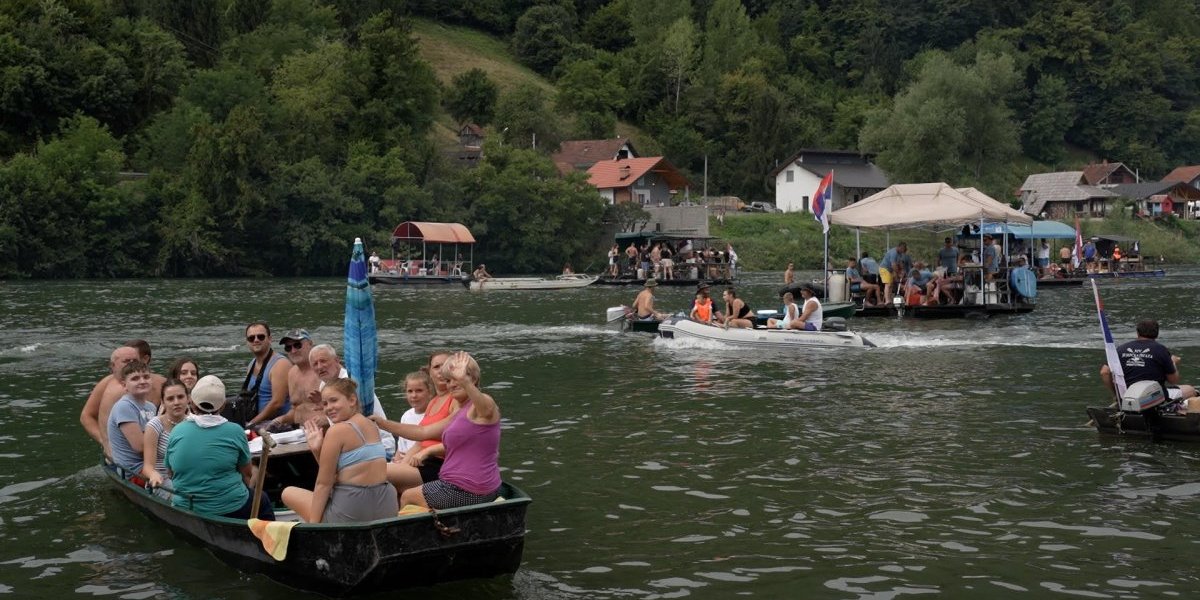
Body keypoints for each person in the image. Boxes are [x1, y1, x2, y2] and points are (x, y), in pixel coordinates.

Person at [371, 352, 502, 509]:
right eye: (448, 380)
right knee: (402, 491)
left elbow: (486, 410)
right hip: (455, 484)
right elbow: (423, 432)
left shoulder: (483, 404)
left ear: (473, 378)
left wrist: (465, 382)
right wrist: (381, 423)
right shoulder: (459, 412)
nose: (452, 384)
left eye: (457, 378)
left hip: (468, 489)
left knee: (408, 497)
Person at [282, 378, 397, 523]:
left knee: (288, 492)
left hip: (353, 511)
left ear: (352, 400)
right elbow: (343, 475)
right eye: (325, 403)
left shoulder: (337, 431)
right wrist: (317, 449)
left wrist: (314, 528)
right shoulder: (371, 425)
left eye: (334, 400)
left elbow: (324, 484)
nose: (329, 408)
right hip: (386, 506)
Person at [166, 376, 275, 520]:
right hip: (231, 506)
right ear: (223, 405)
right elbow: (247, 474)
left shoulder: (176, 431)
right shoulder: (235, 431)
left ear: (191, 403)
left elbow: (170, 473)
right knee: (262, 498)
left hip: (186, 506)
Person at [377, 352, 457, 497]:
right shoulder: (433, 402)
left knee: (372, 471)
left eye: (446, 366)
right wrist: (402, 466)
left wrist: (382, 423)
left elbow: (425, 433)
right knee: (371, 472)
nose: (441, 370)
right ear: (430, 373)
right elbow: (420, 443)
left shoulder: (456, 399)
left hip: (439, 466)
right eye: (436, 367)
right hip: (422, 463)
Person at [308, 344, 396, 458]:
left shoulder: (351, 380)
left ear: (336, 360)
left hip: (380, 446)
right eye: (315, 364)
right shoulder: (324, 386)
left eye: (323, 361)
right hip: (353, 446)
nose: (320, 367)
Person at [1100, 319, 1198, 412]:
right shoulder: (1160, 350)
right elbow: (1173, 380)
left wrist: (1117, 396)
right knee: (1191, 390)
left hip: (1126, 397)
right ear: (1157, 333)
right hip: (1156, 398)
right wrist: (1173, 362)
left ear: (1137, 333)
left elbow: (1104, 372)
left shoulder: (1121, 349)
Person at [81, 345, 140, 455]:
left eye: (135, 361)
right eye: (126, 361)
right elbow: (86, 416)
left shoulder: (150, 383)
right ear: (113, 366)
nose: (132, 364)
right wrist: (104, 441)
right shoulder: (107, 383)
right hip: (121, 454)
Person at [107, 361, 158, 478]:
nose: (142, 381)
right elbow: (140, 447)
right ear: (124, 385)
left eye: (146, 377)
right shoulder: (124, 406)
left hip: (152, 462)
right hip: (135, 470)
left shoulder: (150, 406)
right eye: (135, 379)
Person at [142, 379, 190, 499]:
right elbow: (147, 467)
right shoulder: (154, 426)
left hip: (189, 477)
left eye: (180, 397)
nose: (176, 402)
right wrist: (153, 475)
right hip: (162, 480)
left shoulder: (194, 422)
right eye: (170, 399)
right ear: (163, 402)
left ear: (188, 398)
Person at [268, 329, 321, 430]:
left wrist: (320, 422)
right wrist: (281, 419)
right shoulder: (292, 373)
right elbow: (296, 409)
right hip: (300, 434)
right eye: (288, 347)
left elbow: (342, 408)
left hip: (325, 432)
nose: (293, 351)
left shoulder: (323, 370)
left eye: (297, 345)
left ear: (310, 344)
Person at [241, 322, 292, 428]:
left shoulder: (280, 364)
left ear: (270, 339)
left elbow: (277, 403)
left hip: (277, 425)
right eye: (251, 338)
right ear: (247, 342)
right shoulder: (251, 364)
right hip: (258, 421)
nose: (256, 340)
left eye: (260, 336)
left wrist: (251, 424)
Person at [394, 371, 435, 454]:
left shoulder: (435, 414)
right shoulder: (406, 416)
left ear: (429, 392)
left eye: (419, 391)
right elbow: (401, 449)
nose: (414, 396)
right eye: (410, 391)